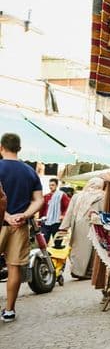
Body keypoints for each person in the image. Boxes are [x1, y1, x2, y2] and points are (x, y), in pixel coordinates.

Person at [0, 133, 45, 322]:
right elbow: (39, 200)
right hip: (20, 226)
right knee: (14, 268)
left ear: (1, 147)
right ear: (19, 148)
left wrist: (6, 216)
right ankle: (9, 310)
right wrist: (24, 215)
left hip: (1, 221)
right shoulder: (30, 171)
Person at [60, 177, 105, 280]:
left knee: (77, 248)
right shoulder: (102, 196)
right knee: (92, 250)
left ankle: (76, 271)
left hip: (77, 226)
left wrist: (64, 227)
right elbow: (104, 212)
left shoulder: (77, 196)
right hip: (93, 226)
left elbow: (70, 213)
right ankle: (89, 272)